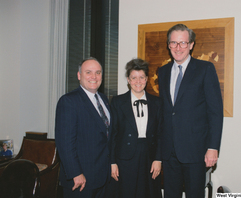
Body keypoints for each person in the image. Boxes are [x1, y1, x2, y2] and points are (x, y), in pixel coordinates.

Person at [158, 24, 224, 198]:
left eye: (183, 43)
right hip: (169, 150)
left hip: (195, 151)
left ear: (191, 44)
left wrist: (213, 147)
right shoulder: (162, 72)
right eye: (173, 43)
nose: (178, 48)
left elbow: (215, 112)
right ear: (168, 45)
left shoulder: (205, 69)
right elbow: (166, 112)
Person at [55, 57, 111, 198]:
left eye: (98, 73)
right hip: (81, 180)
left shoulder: (104, 99)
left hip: (103, 177)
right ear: (79, 75)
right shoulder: (69, 101)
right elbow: (64, 143)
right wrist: (75, 173)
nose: (94, 77)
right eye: (88, 72)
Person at [110, 58, 162, 198]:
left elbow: (160, 134)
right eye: (134, 78)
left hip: (149, 157)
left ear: (146, 79)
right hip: (124, 158)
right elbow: (112, 134)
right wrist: (112, 162)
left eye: (141, 77)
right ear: (128, 79)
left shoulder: (157, 103)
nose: (138, 82)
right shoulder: (117, 102)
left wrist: (158, 159)